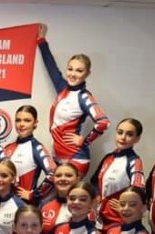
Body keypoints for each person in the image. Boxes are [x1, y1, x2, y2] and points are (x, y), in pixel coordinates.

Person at [37, 24, 110, 175]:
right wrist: (42, 40)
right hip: (58, 157)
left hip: (76, 159)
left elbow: (103, 122)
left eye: (79, 70)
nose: (73, 74)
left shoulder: (84, 97)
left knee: (71, 192)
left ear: (87, 74)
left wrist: (84, 141)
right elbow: (51, 67)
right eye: (70, 69)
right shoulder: (62, 87)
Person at [92, 118, 145, 231]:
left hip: (118, 222)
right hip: (99, 220)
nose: (123, 137)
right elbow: (94, 181)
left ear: (137, 139)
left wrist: (124, 205)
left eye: (129, 134)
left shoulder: (134, 161)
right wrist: (96, 196)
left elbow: (138, 190)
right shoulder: (108, 158)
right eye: (120, 132)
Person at [3, 105, 56, 204]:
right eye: (18, 120)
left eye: (27, 120)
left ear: (35, 123)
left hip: (25, 206)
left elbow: (54, 173)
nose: (21, 124)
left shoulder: (37, 148)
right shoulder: (8, 148)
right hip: (4, 204)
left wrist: (34, 194)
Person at [39, 162, 80, 234]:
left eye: (68, 175)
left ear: (78, 179)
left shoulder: (86, 208)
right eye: (58, 176)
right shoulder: (45, 205)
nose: (63, 178)